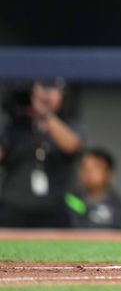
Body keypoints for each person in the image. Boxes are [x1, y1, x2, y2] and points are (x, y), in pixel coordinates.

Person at [0, 79, 81, 228]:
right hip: (14, 206)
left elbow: (72, 146)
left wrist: (43, 112)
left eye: (50, 90)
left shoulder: (68, 124)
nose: (45, 96)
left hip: (54, 207)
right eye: (40, 91)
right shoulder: (13, 127)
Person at [66, 147, 121, 229]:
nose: (88, 172)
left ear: (109, 174)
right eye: (84, 167)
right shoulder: (69, 201)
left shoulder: (120, 207)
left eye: (96, 168)